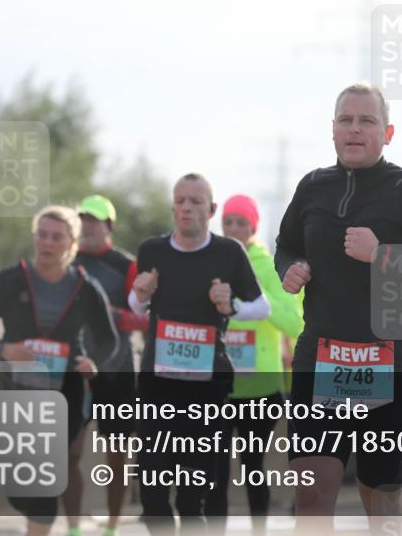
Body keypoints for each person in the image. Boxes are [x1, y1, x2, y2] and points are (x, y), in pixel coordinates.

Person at [275, 83, 402, 529]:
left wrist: (383, 255)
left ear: (388, 132)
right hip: (320, 357)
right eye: (346, 120)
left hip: (389, 359)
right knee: (312, 499)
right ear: (333, 130)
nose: (354, 130)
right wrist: (292, 267)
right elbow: (285, 247)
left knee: (383, 508)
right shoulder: (312, 187)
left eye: (367, 121)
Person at [127, 174, 270, 536]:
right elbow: (136, 306)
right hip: (157, 384)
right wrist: (140, 295)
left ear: (211, 209)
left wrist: (231, 305)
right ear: (173, 206)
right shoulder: (152, 250)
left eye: (195, 201)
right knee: (153, 489)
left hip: (207, 387)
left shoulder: (228, 252)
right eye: (180, 201)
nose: (186, 207)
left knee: (193, 497)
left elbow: (262, 307)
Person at [0, 206, 120, 536]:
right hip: (15, 388)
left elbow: (109, 340)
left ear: (72, 243)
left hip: (64, 393)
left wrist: (92, 361)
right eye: (42, 234)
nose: (47, 243)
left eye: (56, 237)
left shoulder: (84, 287)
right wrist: (3, 348)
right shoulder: (10, 279)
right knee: (19, 485)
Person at [205, 194, 303, 531]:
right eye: (228, 222)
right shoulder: (212, 259)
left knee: (252, 465)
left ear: (253, 227)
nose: (233, 229)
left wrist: (260, 297)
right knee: (213, 468)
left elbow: (295, 324)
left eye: (241, 223)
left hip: (260, 386)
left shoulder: (270, 266)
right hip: (216, 384)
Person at [73, 194, 141, 536]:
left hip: (117, 369)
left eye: (94, 220)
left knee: (117, 455)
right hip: (75, 369)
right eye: (82, 219)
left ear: (108, 226)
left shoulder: (125, 264)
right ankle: (73, 525)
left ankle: (112, 526)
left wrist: (115, 316)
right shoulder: (66, 260)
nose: (87, 226)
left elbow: (146, 319)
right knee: (69, 452)